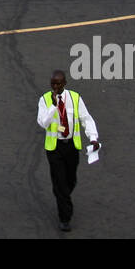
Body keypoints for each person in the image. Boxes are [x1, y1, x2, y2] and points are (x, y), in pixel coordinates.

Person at [37, 70, 100, 232]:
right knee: (60, 182)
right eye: (53, 84)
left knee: (70, 180)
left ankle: (61, 195)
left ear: (65, 83)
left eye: (58, 83)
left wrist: (93, 138)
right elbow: (43, 123)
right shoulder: (44, 100)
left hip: (71, 146)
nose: (55, 87)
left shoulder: (75, 98)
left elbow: (86, 119)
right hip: (54, 147)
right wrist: (53, 106)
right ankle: (65, 218)